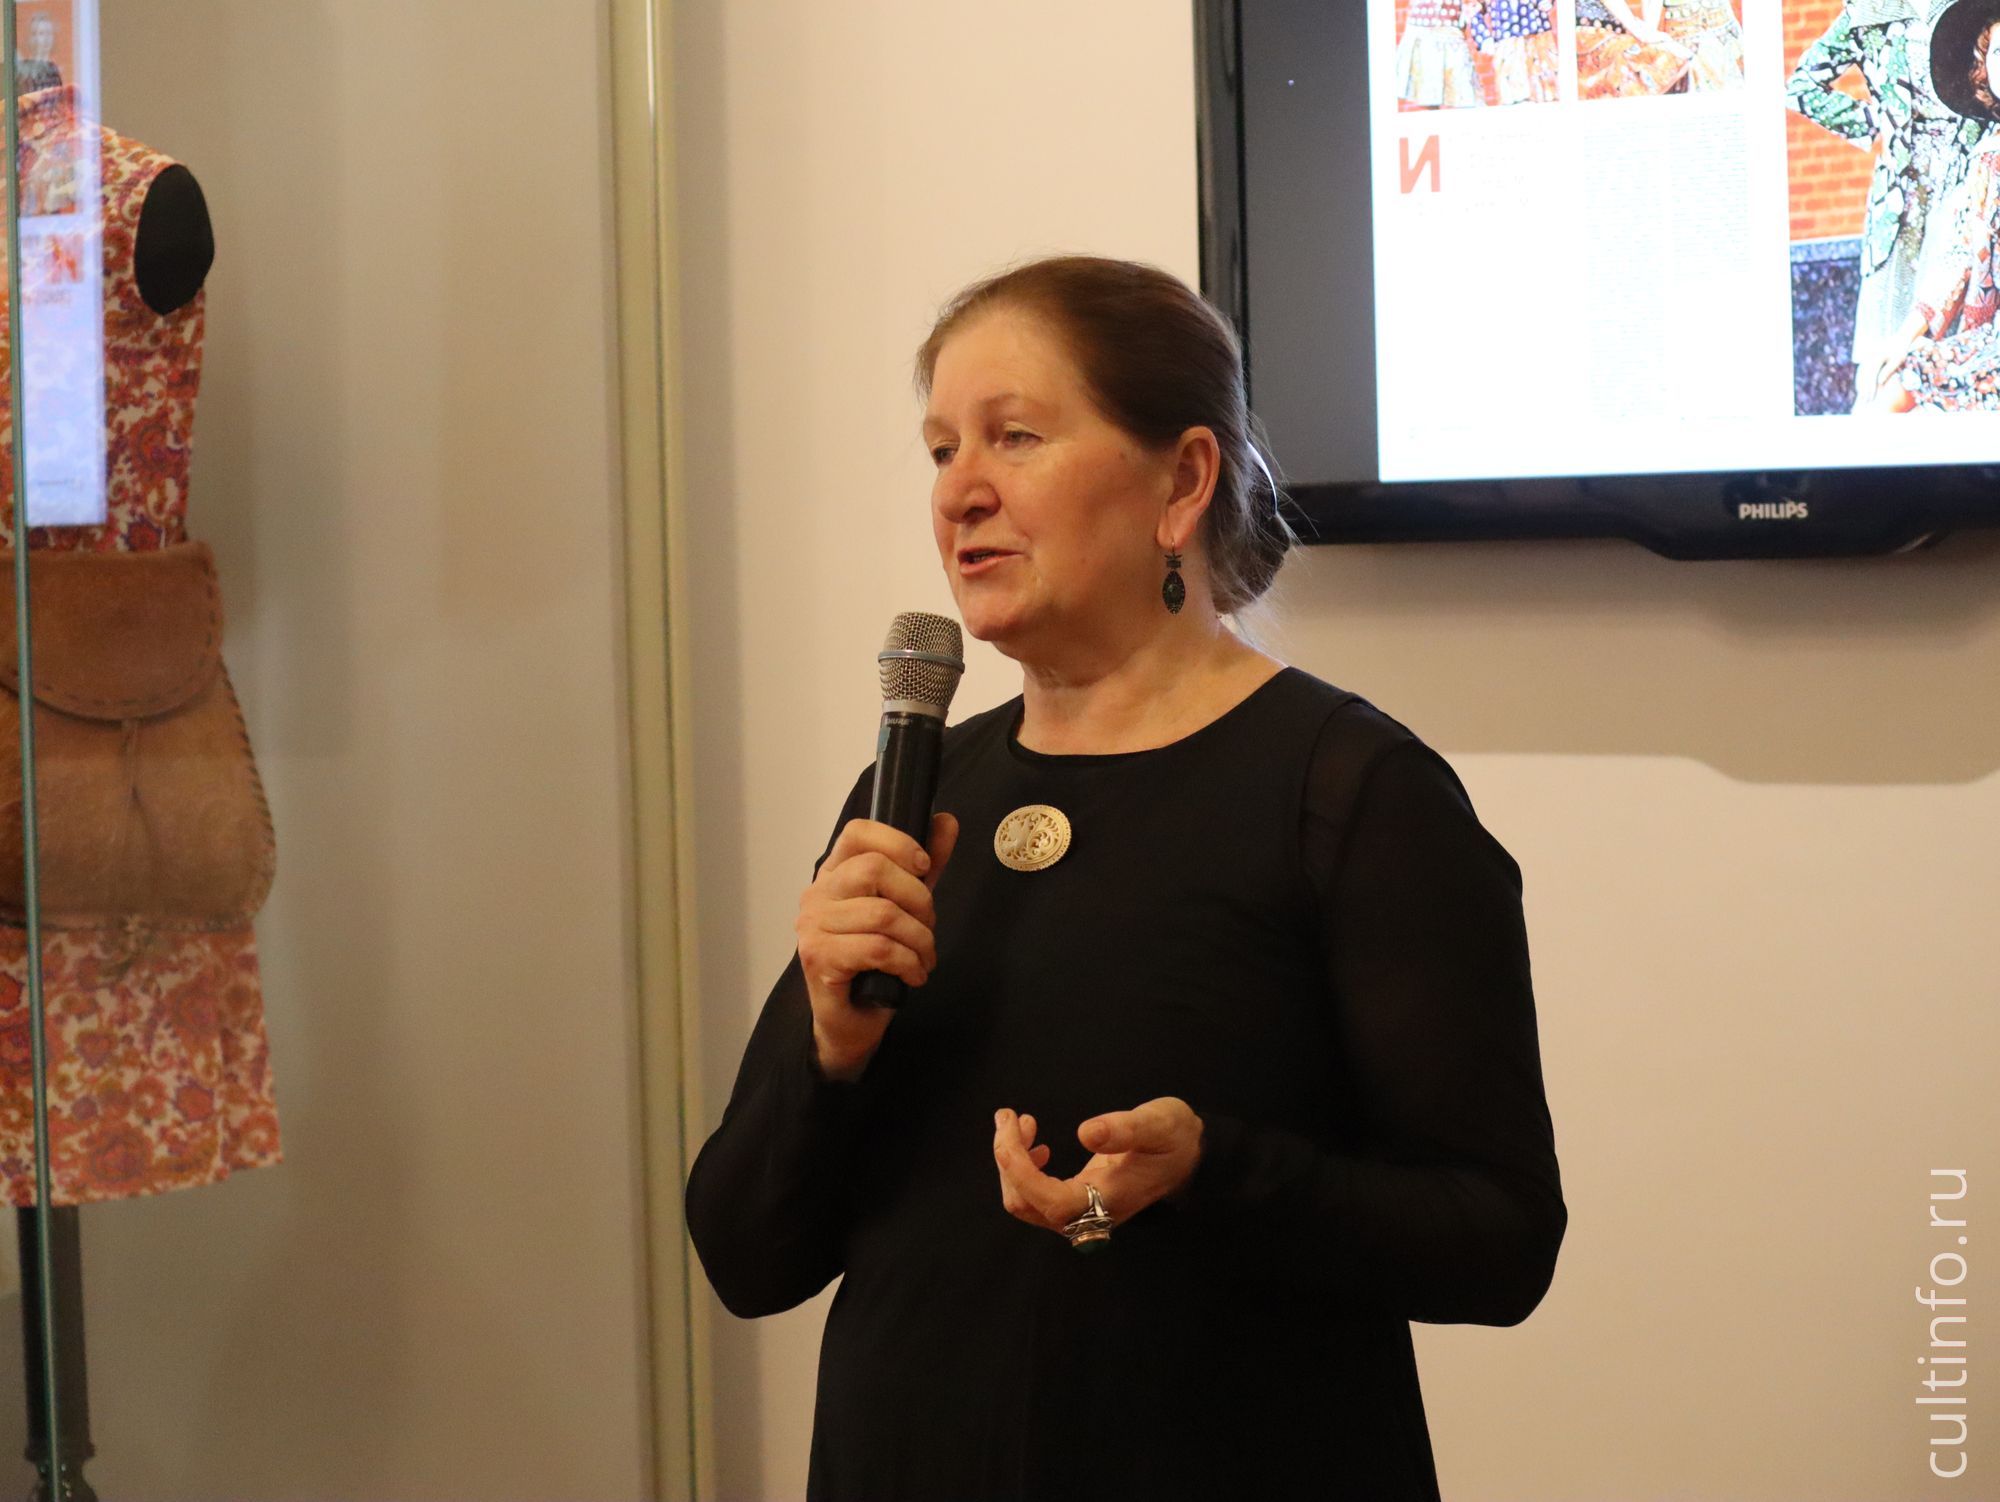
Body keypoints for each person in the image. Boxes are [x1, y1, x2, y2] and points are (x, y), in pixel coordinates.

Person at [683, 255, 1568, 1501]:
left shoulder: (1351, 792)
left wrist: (1214, 1169)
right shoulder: (914, 792)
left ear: (1182, 481)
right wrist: (826, 1047)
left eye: (1015, 436)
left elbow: (1497, 1240)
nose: (960, 491)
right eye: (940, 449)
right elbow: (744, 1253)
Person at [1788, 1, 1986, 390]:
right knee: (1889, 318)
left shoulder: (1968, 8)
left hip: (1967, 175)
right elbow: (1802, 86)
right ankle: (1880, 405)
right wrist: (1875, 122)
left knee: (1955, 301)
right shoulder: (1869, 12)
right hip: (1902, 188)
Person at [1577, 0, 1697, 98]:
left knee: (1668, 57)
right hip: (1589, 37)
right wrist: (1641, 32)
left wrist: (1650, 34)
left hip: (1618, 36)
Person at [1396, 0, 1485, 109]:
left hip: (1450, 31)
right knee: (1427, 95)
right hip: (1421, 29)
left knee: (1465, 94)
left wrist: (1476, 8)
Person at [1471, 0, 1561, 105]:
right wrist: (1483, 37)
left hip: (1538, 43)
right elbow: (1473, 10)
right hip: (1508, 47)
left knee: (1548, 95)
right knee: (1515, 98)